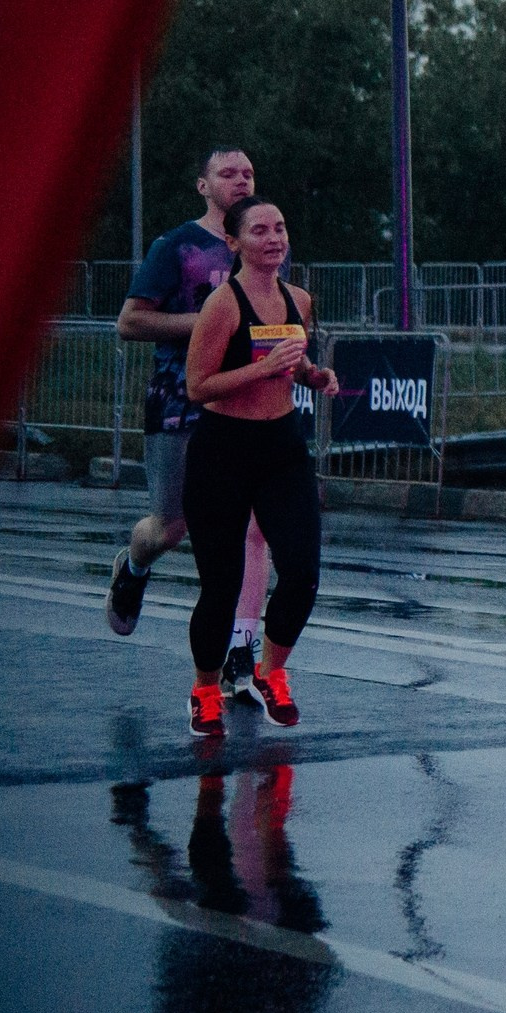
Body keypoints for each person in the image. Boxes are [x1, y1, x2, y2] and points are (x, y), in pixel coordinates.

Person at [106, 146, 275, 687]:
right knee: (172, 526)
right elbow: (129, 323)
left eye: (248, 173)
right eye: (228, 174)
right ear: (204, 186)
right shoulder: (176, 246)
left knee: (255, 526)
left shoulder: (267, 246)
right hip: (181, 401)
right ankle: (132, 567)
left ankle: (241, 649)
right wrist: (207, 323)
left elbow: (272, 319)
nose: (241, 181)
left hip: (246, 403)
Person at [178, 198, 339, 735]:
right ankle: (205, 689)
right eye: (260, 230)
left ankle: (272, 674)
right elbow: (197, 386)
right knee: (220, 585)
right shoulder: (223, 305)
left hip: (281, 446)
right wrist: (262, 369)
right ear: (234, 243)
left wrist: (313, 376)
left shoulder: (299, 300)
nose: (274, 238)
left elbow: (292, 364)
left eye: (280, 227)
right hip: (223, 448)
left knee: (302, 573)